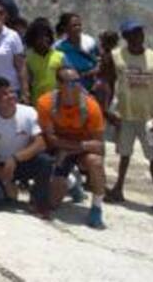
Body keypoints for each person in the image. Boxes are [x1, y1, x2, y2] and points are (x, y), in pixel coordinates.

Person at [102, 20, 153, 213]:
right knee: (124, 154)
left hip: (149, 117)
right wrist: (107, 109)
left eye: (139, 32)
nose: (137, 36)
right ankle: (118, 188)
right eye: (132, 33)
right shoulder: (115, 56)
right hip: (124, 114)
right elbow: (107, 82)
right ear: (125, 37)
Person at [36, 66, 107, 228]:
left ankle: (96, 207)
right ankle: (73, 183)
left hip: (80, 150)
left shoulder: (91, 106)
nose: (75, 86)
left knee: (95, 162)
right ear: (59, 84)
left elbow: (99, 146)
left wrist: (72, 149)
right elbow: (51, 139)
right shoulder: (45, 103)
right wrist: (67, 149)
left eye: (77, 81)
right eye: (70, 83)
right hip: (61, 148)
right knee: (53, 204)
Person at [0, 77, 52, 215]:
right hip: (0, 165)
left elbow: (41, 143)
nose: (11, 96)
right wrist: (5, 181)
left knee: (45, 161)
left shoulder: (29, 112)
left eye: (12, 92)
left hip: (22, 161)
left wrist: (15, 158)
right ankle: (8, 189)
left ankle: (38, 200)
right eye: (5, 94)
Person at [23, 18, 63, 103]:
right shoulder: (28, 60)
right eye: (39, 37)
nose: (44, 39)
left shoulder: (60, 56)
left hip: (57, 101)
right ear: (33, 39)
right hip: (37, 101)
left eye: (46, 36)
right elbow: (27, 82)